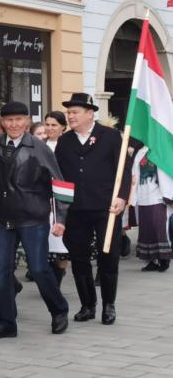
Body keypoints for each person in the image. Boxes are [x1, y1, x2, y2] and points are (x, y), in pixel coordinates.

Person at [0, 101, 70, 339]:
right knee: (1, 271)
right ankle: (6, 322)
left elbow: (59, 185)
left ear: (27, 121)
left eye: (19, 120)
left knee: (39, 269)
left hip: (32, 218)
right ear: (1, 122)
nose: (14, 124)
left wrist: (60, 218)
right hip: (2, 219)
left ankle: (59, 310)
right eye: (9, 120)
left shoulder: (39, 148)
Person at [55, 93, 131, 326]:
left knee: (108, 257)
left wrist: (122, 197)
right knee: (79, 259)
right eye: (68, 112)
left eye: (74, 112)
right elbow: (60, 178)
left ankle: (109, 304)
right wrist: (60, 212)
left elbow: (124, 170)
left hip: (106, 208)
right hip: (76, 210)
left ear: (90, 114)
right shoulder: (64, 141)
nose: (70, 116)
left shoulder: (109, 137)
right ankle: (88, 305)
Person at [130, 146, 172, 272]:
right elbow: (134, 174)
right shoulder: (141, 152)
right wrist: (132, 196)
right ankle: (151, 260)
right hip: (143, 196)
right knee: (146, 230)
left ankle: (164, 259)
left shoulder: (161, 150)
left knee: (159, 229)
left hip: (158, 196)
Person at [43, 111, 71, 286]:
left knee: (61, 245)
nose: (50, 128)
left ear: (63, 127)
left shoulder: (68, 146)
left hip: (62, 200)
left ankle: (57, 279)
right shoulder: (39, 145)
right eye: (47, 124)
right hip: (42, 199)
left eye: (54, 125)